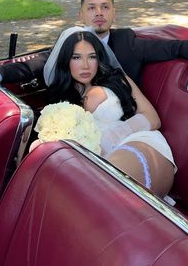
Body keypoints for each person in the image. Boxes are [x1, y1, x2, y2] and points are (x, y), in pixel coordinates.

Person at [31, 26, 176, 199]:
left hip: (136, 141)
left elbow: (152, 118)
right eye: (76, 57)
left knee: (105, 186)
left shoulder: (117, 79)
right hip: (89, 160)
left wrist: (111, 137)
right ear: (65, 60)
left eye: (92, 57)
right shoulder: (59, 97)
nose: (85, 65)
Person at [0, 0, 188, 85]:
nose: (99, 13)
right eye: (91, 8)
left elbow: (178, 47)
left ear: (113, 13)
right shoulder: (70, 41)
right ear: (81, 14)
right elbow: (35, 64)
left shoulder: (128, 42)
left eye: (105, 7)